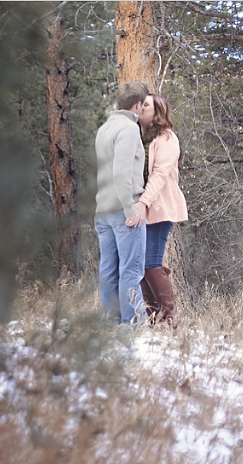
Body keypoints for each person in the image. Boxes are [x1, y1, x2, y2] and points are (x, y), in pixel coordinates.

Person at [94, 81, 149, 325]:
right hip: (123, 210)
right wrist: (130, 208)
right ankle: (134, 325)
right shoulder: (128, 129)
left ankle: (111, 323)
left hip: (102, 210)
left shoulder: (105, 128)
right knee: (131, 271)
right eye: (144, 105)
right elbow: (122, 172)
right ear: (137, 105)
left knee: (108, 270)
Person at [137, 93, 188, 327]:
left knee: (151, 263)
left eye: (146, 104)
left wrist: (143, 203)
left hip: (160, 206)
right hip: (144, 208)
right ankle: (154, 320)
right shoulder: (140, 137)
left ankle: (169, 319)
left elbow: (158, 175)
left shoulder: (167, 138)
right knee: (142, 265)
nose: (141, 107)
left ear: (157, 111)